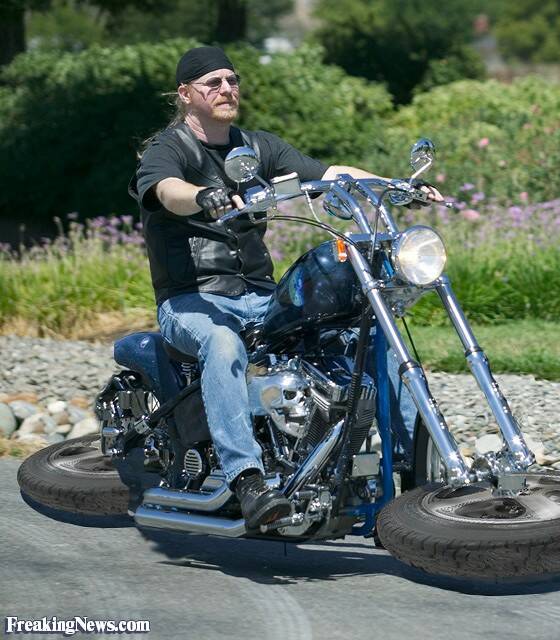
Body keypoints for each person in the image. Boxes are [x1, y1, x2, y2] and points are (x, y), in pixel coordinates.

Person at [130, 46, 441, 531]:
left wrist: (395, 186)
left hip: (260, 296)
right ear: (185, 94)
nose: (227, 89)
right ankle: (248, 480)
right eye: (213, 83)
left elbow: (331, 174)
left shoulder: (256, 148)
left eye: (232, 80)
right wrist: (204, 195)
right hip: (192, 300)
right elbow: (167, 190)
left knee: (365, 335)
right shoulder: (170, 149)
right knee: (222, 343)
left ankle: (413, 476)